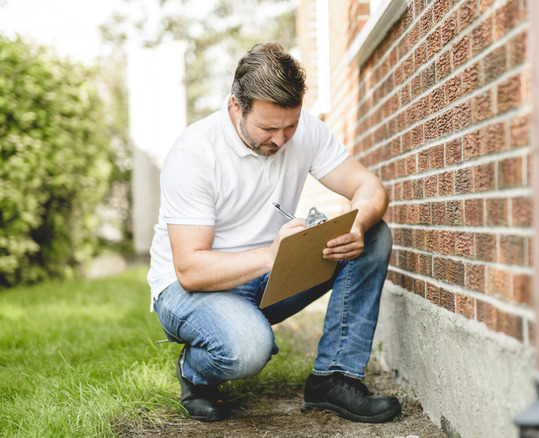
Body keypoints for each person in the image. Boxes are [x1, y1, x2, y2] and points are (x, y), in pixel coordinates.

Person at [147, 42, 401, 424]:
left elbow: (370, 188)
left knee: (374, 237)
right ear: (236, 107)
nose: (282, 140)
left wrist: (358, 223)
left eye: (291, 126)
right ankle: (195, 372)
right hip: (191, 292)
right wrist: (271, 254)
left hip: (268, 278)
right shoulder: (194, 153)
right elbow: (190, 270)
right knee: (249, 349)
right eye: (268, 128)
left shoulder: (305, 131)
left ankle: (334, 378)